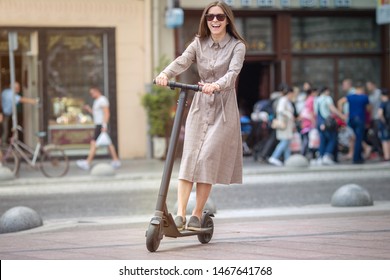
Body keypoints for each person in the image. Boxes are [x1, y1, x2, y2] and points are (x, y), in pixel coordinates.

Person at [154, 1, 246, 231]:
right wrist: (165, 74)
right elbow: (182, 61)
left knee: (206, 159)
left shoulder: (237, 46)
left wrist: (215, 85)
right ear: (205, 20)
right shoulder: (198, 43)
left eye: (220, 17)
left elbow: (233, 74)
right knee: (190, 158)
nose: (215, 20)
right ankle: (180, 215)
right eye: (210, 17)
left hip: (223, 110)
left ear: (228, 20)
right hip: (200, 104)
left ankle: (196, 214)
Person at [76, 87, 121, 170]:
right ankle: (115, 160)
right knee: (108, 143)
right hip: (98, 124)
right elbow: (96, 113)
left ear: (97, 91)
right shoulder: (97, 101)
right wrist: (89, 109)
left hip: (101, 125)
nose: (92, 95)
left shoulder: (102, 100)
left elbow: (106, 113)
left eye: (92, 93)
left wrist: (104, 125)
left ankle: (87, 162)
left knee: (94, 143)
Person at [338, 82, 370, 164]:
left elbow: (340, 102)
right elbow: (369, 109)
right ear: (362, 89)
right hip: (360, 119)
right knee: (359, 138)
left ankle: (356, 156)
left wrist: (341, 114)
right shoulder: (364, 97)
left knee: (353, 138)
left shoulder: (350, 97)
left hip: (351, 119)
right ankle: (357, 158)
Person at [314, 86, 345, 165]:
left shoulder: (316, 99)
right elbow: (332, 108)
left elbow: (315, 113)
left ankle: (321, 156)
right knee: (332, 139)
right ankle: (327, 155)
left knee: (322, 140)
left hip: (319, 122)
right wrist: (341, 116)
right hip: (327, 122)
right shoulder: (327, 98)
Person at [267, 87, 296, 166]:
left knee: (287, 142)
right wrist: (289, 115)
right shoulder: (284, 100)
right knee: (285, 141)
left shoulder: (286, 100)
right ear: (290, 93)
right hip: (284, 125)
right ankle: (274, 157)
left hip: (286, 125)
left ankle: (288, 160)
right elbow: (280, 110)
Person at [299, 87, 318, 159]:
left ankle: (306, 154)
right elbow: (311, 112)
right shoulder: (312, 100)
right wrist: (314, 121)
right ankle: (305, 155)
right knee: (309, 140)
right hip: (309, 122)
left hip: (306, 122)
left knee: (307, 139)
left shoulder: (307, 100)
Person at [377, 89, 390, 161]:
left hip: (384, 125)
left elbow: (380, 114)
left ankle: (387, 156)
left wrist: (383, 121)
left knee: (385, 140)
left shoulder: (382, 103)